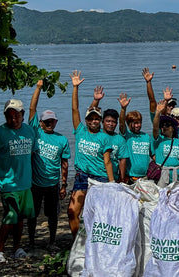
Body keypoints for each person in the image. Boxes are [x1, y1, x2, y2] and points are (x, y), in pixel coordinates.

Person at [68, 71, 114, 239]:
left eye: (97, 119)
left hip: (100, 178)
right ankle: (77, 243)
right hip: (82, 177)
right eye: (91, 118)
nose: (94, 121)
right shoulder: (80, 131)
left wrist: (111, 183)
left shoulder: (104, 137)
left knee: (99, 215)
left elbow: (107, 162)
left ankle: (96, 242)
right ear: (86, 121)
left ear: (100, 121)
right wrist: (75, 88)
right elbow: (74, 109)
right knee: (73, 211)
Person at [27, 80, 70, 250]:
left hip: (53, 184)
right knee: (32, 215)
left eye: (53, 121)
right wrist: (37, 88)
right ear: (41, 122)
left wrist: (64, 184)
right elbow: (32, 109)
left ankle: (52, 242)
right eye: (47, 121)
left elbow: (64, 163)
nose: (50, 124)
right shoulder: (35, 132)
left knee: (53, 216)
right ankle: (31, 243)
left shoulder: (62, 139)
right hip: (35, 184)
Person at [0, 98, 37, 262]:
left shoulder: (29, 131)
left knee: (20, 218)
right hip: (8, 183)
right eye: (9, 116)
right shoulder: (0, 133)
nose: (13, 120)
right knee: (10, 216)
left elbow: (33, 153)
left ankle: (17, 248)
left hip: (25, 183)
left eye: (16, 116)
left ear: (22, 114)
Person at [152, 100, 179, 186]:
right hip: (163, 174)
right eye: (162, 125)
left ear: (173, 128)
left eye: (168, 125)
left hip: (178, 174)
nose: (165, 127)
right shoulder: (159, 140)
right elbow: (155, 127)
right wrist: (157, 113)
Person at [118, 93, 153, 183]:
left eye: (139, 122)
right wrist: (123, 109)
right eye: (135, 123)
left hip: (144, 177)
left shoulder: (145, 136)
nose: (137, 125)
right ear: (129, 124)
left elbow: (152, 154)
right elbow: (121, 124)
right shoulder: (127, 135)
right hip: (129, 177)